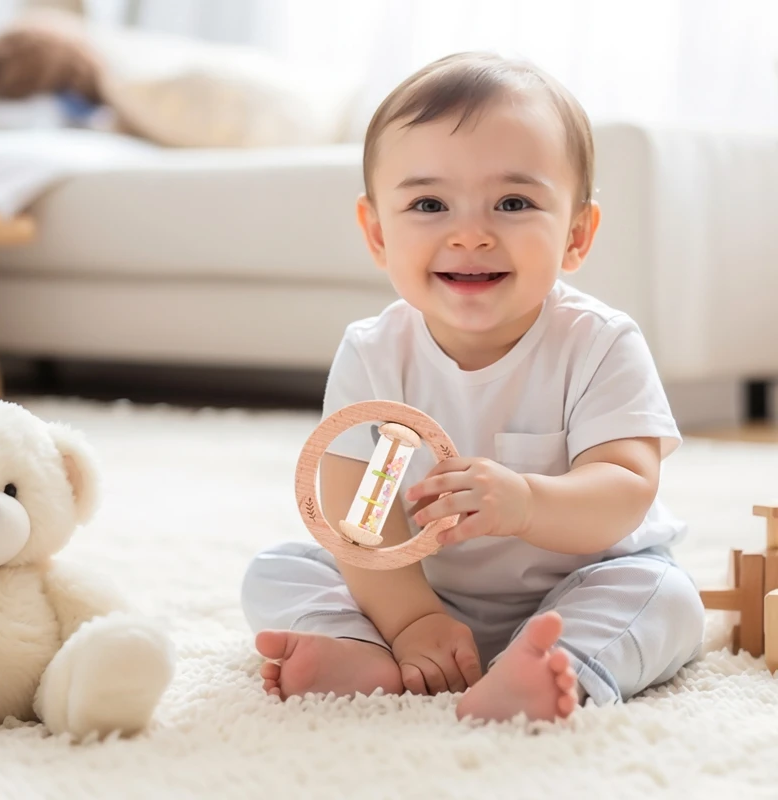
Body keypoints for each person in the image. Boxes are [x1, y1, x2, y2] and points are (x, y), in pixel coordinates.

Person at [241, 52, 705, 723]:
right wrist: (410, 619)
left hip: (578, 582)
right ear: (377, 233)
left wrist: (524, 502)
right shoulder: (373, 354)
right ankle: (365, 651)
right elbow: (359, 519)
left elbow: (626, 490)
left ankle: (553, 666)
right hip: (420, 589)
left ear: (576, 235)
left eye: (513, 203)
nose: (470, 234)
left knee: (664, 596)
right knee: (279, 568)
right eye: (429, 204)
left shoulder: (600, 343)